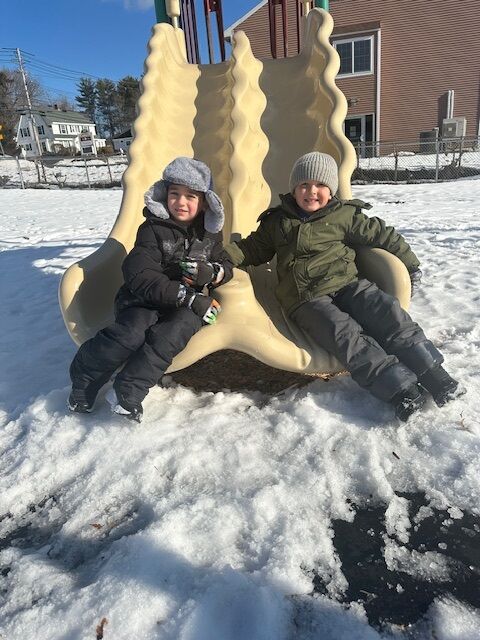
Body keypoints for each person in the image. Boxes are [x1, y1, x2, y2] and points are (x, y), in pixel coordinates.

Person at [225, 152, 461, 421]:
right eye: (303, 185)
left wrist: (410, 265)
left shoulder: (343, 215)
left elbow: (382, 234)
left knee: (387, 312)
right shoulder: (277, 222)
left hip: (347, 284)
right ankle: (399, 389)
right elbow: (252, 249)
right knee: (345, 335)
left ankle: (433, 373)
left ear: (331, 190)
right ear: (293, 188)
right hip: (305, 298)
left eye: (320, 185)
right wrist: (222, 256)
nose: (311, 192)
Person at [68, 157, 233, 422]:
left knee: (171, 335)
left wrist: (213, 273)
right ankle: (84, 378)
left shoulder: (210, 234)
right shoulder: (153, 230)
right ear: (164, 195)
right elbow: (140, 274)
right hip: (143, 299)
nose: (181, 202)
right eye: (174, 194)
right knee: (130, 335)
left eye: (191, 196)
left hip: (185, 307)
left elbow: (226, 262)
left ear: (204, 201)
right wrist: (188, 297)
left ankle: (128, 390)